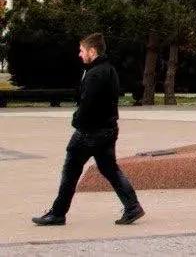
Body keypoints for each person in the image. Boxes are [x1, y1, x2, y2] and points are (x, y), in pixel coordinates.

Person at [33, 33, 144, 227]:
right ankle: (132, 206)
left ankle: (58, 213)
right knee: (110, 169)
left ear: (92, 51)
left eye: (82, 50)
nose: (79, 54)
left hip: (89, 132)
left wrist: (76, 120)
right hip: (108, 130)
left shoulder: (95, 73)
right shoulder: (108, 70)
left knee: (70, 171)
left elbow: (88, 104)